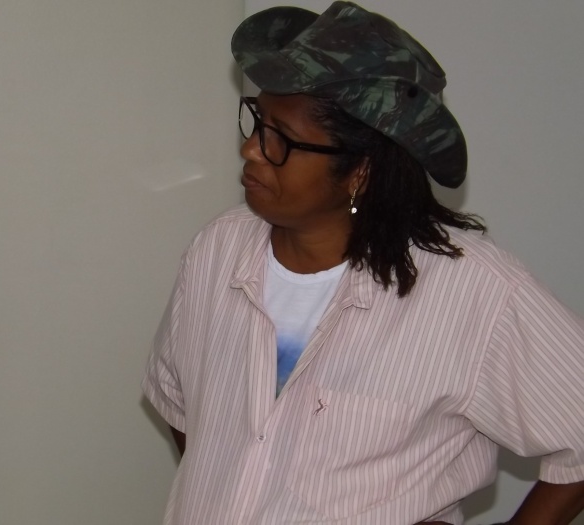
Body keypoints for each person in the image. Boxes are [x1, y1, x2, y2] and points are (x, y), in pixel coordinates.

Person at [142, 2, 584, 524]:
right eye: (257, 120)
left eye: (279, 138)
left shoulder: (473, 291)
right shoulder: (218, 250)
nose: (251, 151)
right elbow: (179, 399)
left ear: (361, 172)